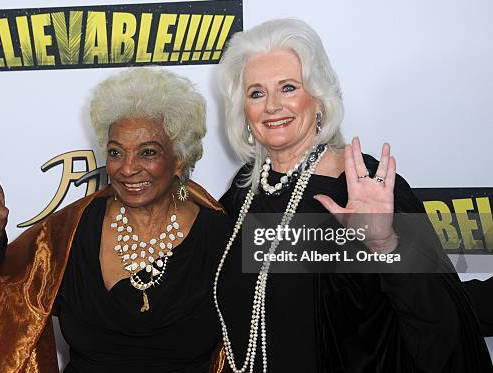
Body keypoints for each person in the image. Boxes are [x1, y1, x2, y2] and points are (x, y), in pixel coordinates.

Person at [210, 19, 492, 372]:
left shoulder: (364, 184)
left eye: (288, 87)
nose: (271, 106)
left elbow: (441, 321)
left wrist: (385, 245)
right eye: (256, 93)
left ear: (319, 99)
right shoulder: (243, 190)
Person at [0, 68, 232, 372]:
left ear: (178, 160)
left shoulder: (218, 235)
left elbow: (263, 327)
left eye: (147, 152)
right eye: (116, 152)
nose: (127, 168)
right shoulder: (69, 232)